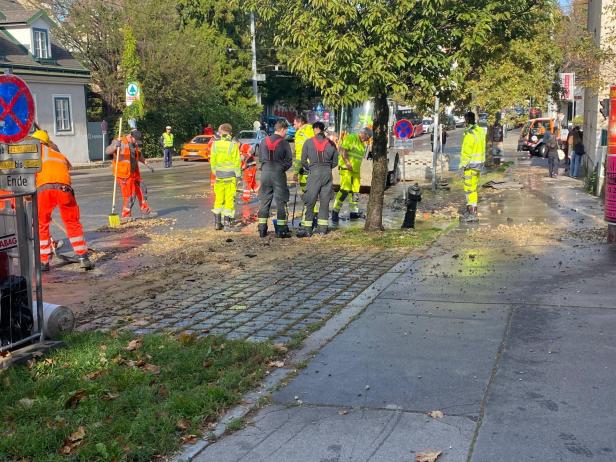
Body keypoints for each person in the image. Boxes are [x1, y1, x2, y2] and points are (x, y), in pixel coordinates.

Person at [32, 130, 94, 271]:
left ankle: (44, 262)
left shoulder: (33, 153)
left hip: (44, 190)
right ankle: (83, 257)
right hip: (65, 189)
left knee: (42, 225)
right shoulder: (58, 154)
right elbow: (65, 169)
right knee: (72, 222)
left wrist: (30, 197)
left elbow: (31, 177)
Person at [297, 122, 338, 237]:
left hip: (313, 173)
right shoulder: (331, 144)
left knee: (310, 201)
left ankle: (308, 229)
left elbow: (303, 161)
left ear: (316, 129)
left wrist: (310, 168)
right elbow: (335, 162)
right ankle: (322, 229)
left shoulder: (308, 142)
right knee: (324, 202)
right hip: (327, 174)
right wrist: (327, 168)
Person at [106, 129, 154, 221]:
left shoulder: (134, 143)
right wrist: (115, 147)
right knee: (129, 195)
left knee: (142, 190)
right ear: (131, 137)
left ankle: (145, 211)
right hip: (124, 174)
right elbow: (108, 151)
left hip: (134, 172)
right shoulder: (119, 141)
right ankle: (126, 215)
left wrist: (147, 164)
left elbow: (138, 155)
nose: (137, 142)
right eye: (136, 140)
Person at [257, 120, 293, 238]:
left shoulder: (263, 141)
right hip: (278, 173)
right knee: (281, 202)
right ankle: (281, 231)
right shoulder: (284, 143)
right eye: (286, 131)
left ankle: (262, 229)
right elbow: (288, 161)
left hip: (265, 173)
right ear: (282, 129)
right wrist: (281, 169)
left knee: (264, 201)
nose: (286, 133)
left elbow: (261, 159)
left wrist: (266, 167)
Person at [331, 127, 372, 225]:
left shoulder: (362, 144)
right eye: (367, 137)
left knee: (355, 192)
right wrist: (347, 163)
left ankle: (354, 212)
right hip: (346, 169)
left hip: (355, 171)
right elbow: (342, 150)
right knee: (345, 190)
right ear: (363, 134)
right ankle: (335, 211)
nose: (367, 139)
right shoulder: (351, 138)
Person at [210, 123, 241, 230]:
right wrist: (238, 176)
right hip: (230, 177)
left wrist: (216, 172)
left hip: (219, 176)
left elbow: (212, 161)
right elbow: (237, 162)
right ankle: (227, 223)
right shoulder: (233, 145)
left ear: (221, 131)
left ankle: (217, 223)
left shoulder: (215, 144)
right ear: (229, 132)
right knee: (229, 199)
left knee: (218, 199)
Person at [459, 111, 486, 222]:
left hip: (470, 166)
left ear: (466, 120)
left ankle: (472, 213)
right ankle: (470, 210)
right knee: (473, 189)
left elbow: (466, 151)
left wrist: (463, 166)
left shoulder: (470, 134)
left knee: (469, 189)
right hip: (479, 165)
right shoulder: (480, 131)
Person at [292, 115, 315, 191]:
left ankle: (308, 199)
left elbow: (299, 154)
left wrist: (296, 172)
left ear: (300, 123)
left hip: (306, 164)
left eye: (295, 124)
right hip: (317, 163)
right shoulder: (313, 129)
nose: (293, 126)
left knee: (305, 186)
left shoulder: (300, 133)